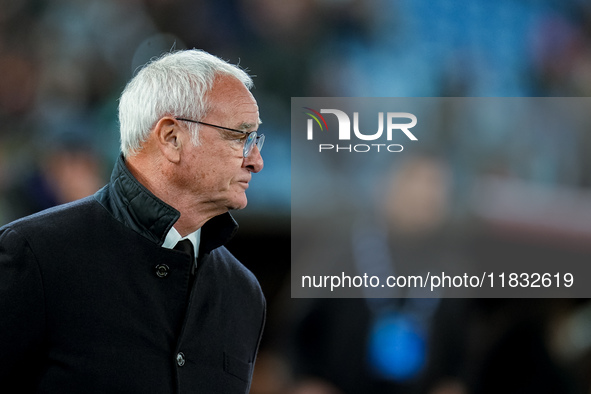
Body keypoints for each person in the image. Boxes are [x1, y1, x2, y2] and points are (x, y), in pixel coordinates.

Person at [0, 49, 266, 393]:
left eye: (255, 139)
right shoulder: (33, 255)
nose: (256, 161)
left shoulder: (242, 292)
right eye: (240, 137)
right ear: (171, 138)